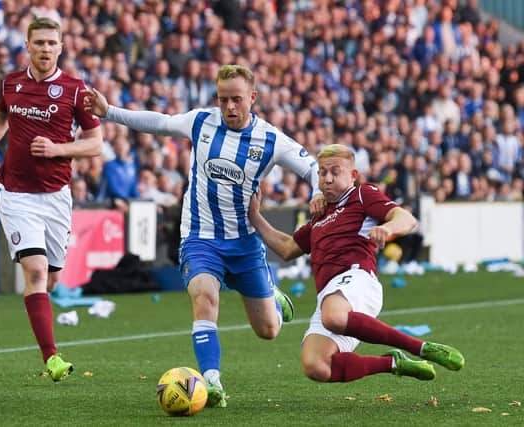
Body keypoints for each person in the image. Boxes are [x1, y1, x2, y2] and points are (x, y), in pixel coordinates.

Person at [84, 64, 325, 407]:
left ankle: (272, 296)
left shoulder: (271, 139)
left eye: (236, 100)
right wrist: (110, 112)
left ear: (252, 98)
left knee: (268, 331)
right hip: (200, 237)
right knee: (204, 298)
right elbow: (160, 122)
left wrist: (317, 191)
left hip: (243, 244)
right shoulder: (201, 121)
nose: (229, 107)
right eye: (223, 98)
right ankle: (211, 382)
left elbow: (311, 166)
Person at [0, 17, 103, 382]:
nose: (45, 49)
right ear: (28, 45)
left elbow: (96, 143)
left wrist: (57, 149)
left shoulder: (75, 89)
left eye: (52, 43)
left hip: (56, 197)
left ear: (61, 47)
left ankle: (47, 322)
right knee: (34, 273)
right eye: (39, 43)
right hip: (17, 194)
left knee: (50, 280)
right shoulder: (11, 84)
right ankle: (51, 358)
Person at [248, 144, 465, 384]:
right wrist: (255, 217)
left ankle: (420, 347)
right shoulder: (319, 216)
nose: (327, 178)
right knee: (316, 366)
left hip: (358, 280)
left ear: (353, 175)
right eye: (322, 172)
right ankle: (393, 362)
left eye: (335, 171)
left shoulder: (362, 194)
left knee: (333, 317)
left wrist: (387, 227)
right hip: (330, 295)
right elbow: (288, 248)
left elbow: (406, 219)